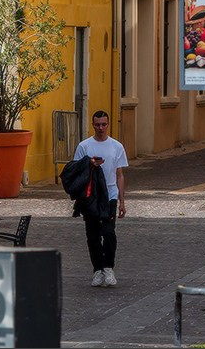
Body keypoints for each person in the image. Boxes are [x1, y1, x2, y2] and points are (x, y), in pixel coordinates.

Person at [73, 110, 128, 288]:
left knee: (109, 232)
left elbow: (120, 174)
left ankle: (108, 267)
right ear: (93, 124)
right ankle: (98, 269)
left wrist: (122, 201)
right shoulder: (84, 146)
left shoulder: (116, 146)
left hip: (110, 195)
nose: (101, 128)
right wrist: (89, 164)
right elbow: (76, 170)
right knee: (93, 234)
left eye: (104, 124)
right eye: (97, 125)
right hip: (90, 196)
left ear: (108, 124)